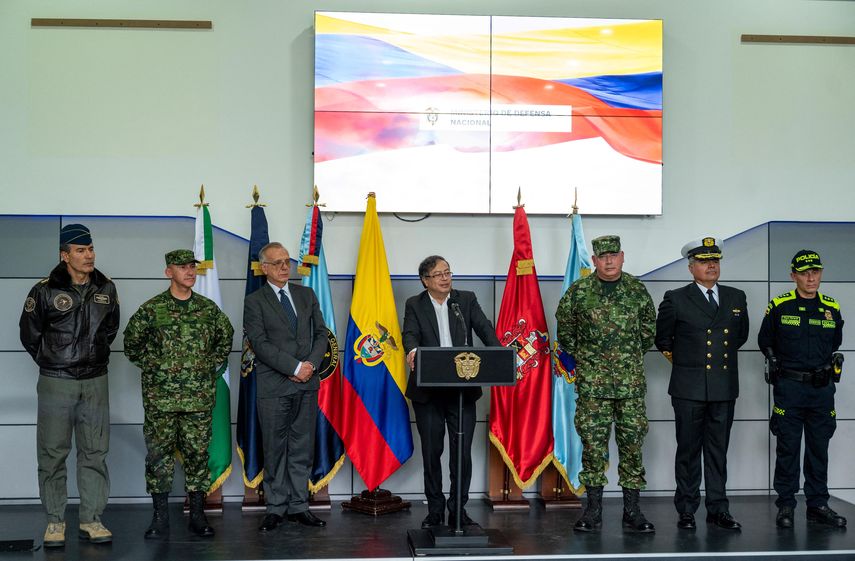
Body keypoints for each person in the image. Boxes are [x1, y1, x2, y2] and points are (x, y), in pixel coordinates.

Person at [19, 223, 119, 548]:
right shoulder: (44, 290)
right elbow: (29, 334)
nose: (88, 255)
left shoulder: (107, 288)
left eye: (90, 249)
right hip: (56, 382)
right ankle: (55, 522)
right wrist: (53, 361)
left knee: (95, 452)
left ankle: (91, 519)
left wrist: (91, 358)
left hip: (95, 381)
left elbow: (110, 329)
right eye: (80, 250)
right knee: (52, 452)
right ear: (65, 255)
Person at [124, 249, 234, 540]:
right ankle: (160, 518)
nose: (189, 272)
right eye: (182, 267)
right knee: (158, 457)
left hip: (198, 399)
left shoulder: (209, 310)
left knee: (198, 455)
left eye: (192, 267)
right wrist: (157, 368)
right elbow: (131, 344)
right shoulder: (152, 309)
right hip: (161, 401)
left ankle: (198, 516)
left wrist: (209, 365)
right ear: (168, 272)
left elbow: (226, 337)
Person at [555, 235, 656, 533]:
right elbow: (567, 333)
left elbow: (648, 331)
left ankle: (632, 511)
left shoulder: (637, 290)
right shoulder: (579, 292)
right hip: (593, 386)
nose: (609, 261)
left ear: (622, 256)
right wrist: (591, 359)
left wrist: (625, 358)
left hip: (630, 385)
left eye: (614, 255)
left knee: (632, 445)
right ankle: (593, 510)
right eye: (603, 257)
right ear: (595, 260)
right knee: (593, 447)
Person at [654, 237, 749, 531]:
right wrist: (688, 365)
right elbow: (663, 339)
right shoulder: (676, 298)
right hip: (688, 388)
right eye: (705, 261)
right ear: (690, 267)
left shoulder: (736, 297)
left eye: (715, 261)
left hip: (723, 387)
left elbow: (740, 337)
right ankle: (686, 509)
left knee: (718, 451)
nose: (712, 266)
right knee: (688, 451)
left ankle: (718, 509)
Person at [402, 255, 502, 529]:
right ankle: (434, 512)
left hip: (462, 391)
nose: (445, 278)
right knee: (432, 453)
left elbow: (484, 329)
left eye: (448, 272)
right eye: (438, 274)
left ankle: (458, 510)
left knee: (462, 454)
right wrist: (412, 352)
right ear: (425, 280)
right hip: (429, 393)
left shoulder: (465, 300)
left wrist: (499, 355)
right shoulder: (415, 304)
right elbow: (409, 334)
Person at [758, 250, 846, 528]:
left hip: (822, 390)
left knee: (819, 448)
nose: (811, 277)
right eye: (805, 272)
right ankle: (785, 505)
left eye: (816, 272)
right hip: (790, 388)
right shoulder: (780, 306)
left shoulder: (832, 306)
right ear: (793, 275)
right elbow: (765, 341)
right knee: (788, 448)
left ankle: (817, 504)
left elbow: (834, 344)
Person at [243, 242, 328, 530]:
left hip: (307, 384)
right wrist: (293, 367)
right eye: (276, 263)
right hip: (275, 385)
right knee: (275, 448)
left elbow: (321, 334)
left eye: (286, 262)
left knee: (302, 447)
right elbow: (259, 343)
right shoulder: (255, 301)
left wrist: (309, 367)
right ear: (263, 267)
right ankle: (276, 507)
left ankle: (299, 506)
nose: (283, 267)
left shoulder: (306, 294)